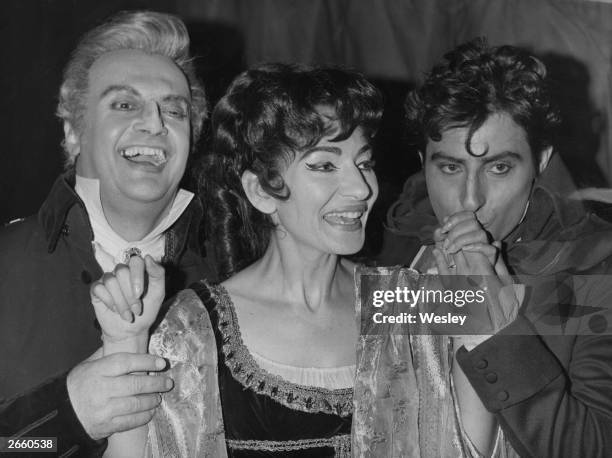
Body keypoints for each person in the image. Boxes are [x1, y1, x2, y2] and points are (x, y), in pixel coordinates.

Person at [89, 63, 384, 457]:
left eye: (363, 163)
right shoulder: (192, 327)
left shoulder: (406, 296)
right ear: (261, 191)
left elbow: (475, 432)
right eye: (324, 165)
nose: (360, 187)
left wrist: (484, 284)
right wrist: (125, 343)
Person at [369, 38, 612, 456]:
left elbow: (594, 446)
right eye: (449, 167)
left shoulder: (591, 268)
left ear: (541, 160)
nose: (469, 200)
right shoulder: (398, 240)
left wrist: (490, 326)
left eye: (499, 168)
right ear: (422, 160)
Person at [0, 11, 215, 455]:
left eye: (174, 110)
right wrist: (65, 416)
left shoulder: (231, 275)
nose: (155, 123)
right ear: (73, 130)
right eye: (124, 104)